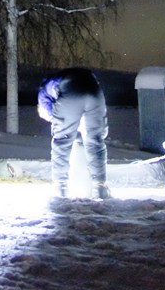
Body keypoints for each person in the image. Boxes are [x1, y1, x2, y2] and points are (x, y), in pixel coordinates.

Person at [36, 67, 110, 199]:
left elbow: (51, 115)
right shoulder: (55, 79)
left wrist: (68, 128)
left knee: (62, 140)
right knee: (95, 140)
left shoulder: (44, 91)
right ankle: (100, 187)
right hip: (94, 89)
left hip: (70, 91)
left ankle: (60, 186)